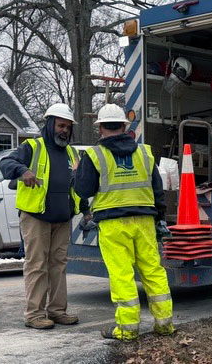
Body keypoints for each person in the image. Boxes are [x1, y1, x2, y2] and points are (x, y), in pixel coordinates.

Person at [74, 104, 172, 341]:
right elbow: (158, 191)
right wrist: (161, 219)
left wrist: (77, 173)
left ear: (100, 129)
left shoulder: (94, 155)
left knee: (122, 274)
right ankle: (165, 324)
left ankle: (128, 329)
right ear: (125, 127)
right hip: (145, 221)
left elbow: (83, 189)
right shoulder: (144, 153)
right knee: (153, 270)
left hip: (113, 223)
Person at [0, 103, 85, 330]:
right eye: (60, 125)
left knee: (58, 265)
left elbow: (77, 185)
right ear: (49, 125)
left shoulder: (72, 153)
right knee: (37, 264)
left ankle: (57, 311)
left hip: (62, 218)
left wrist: (85, 210)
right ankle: (34, 315)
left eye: (67, 127)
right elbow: (6, 163)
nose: (64, 130)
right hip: (36, 216)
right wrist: (22, 171)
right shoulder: (32, 147)